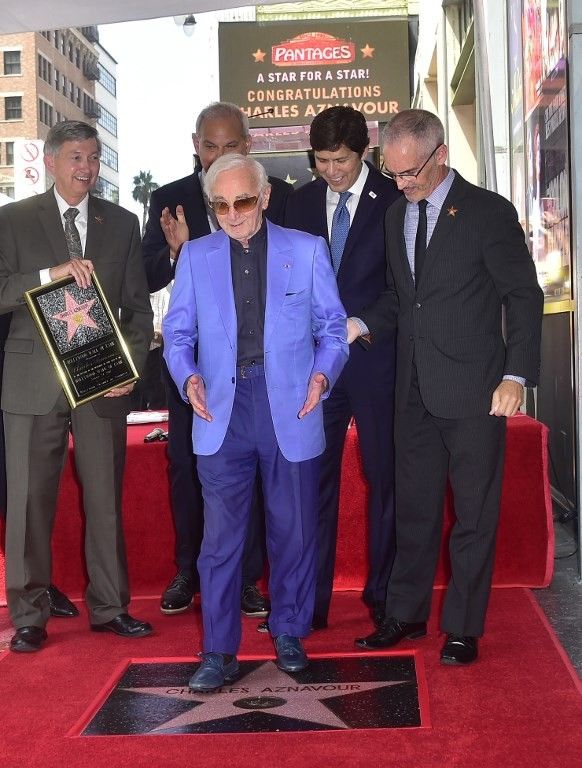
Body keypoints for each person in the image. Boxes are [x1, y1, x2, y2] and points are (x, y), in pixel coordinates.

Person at [351, 109, 543, 665]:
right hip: (412, 390)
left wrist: (516, 374)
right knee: (413, 511)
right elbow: (400, 297)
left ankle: (462, 626)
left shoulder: (487, 212)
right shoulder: (395, 216)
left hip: (475, 389)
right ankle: (405, 616)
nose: (402, 184)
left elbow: (522, 296)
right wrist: (361, 323)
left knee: (475, 514)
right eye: (393, 175)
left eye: (411, 173)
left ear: (440, 157)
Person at [163, 154, 348, 690]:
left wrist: (323, 376)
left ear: (265, 197)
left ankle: (289, 627)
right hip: (220, 408)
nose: (232, 214)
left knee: (293, 529)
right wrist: (187, 377)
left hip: (290, 404)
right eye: (220, 205)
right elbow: (176, 335)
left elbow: (333, 328)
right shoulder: (195, 257)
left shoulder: (307, 250)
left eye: (243, 201)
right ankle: (218, 650)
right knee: (220, 541)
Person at [0, 121, 154, 652]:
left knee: (106, 497)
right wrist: (50, 275)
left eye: (91, 157)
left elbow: (136, 307)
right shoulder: (12, 220)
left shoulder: (123, 223)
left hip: (100, 383)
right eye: (74, 158)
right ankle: (29, 615)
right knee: (27, 502)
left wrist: (128, 367)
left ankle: (111, 608)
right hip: (30, 381)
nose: (84, 168)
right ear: (49, 161)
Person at [142, 102, 293, 618]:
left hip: (263, 372)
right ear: (195, 144)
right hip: (196, 372)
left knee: (251, 472)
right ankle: (189, 569)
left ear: (247, 146)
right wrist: (174, 254)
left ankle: (249, 578)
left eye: (230, 147)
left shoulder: (280, 195)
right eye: (209, 146)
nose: (218, 156)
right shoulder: (170, 200)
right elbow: (145, 278)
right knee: (186, 464)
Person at [285, 106, 400, 631]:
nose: (331, 170)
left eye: (341, 160)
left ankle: (384, 597)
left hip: (378, 361)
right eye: (321, 160)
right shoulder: (298, 202)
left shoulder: (395, 199)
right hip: (315, 371)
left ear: (365, 152)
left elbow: (407, 287)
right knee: (312, 483)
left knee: (385, 478)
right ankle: (310, 604)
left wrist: (362, 322)